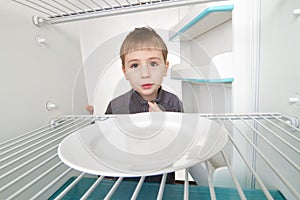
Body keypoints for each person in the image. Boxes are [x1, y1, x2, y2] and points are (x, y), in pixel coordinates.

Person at [86, 26, 183, 184]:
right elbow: (103, 142)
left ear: (165, 68)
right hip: (125, 181)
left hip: (162, 181)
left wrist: (165, 126)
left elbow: (181, 146)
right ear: (125, 72)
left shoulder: (174, 103)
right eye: (135, 66)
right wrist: (93, 122)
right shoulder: (117, 106)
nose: (145, 74)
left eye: (153, 64)